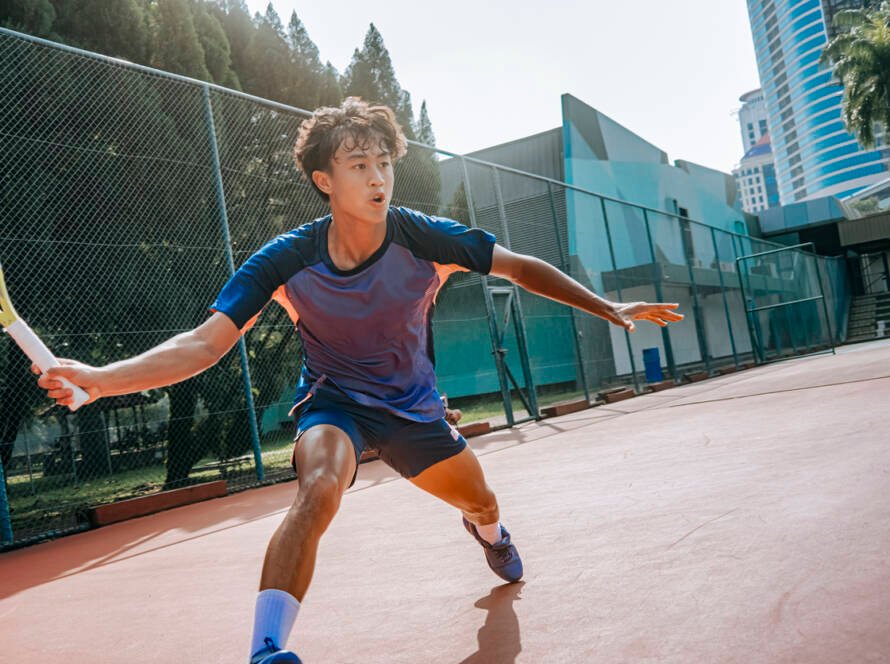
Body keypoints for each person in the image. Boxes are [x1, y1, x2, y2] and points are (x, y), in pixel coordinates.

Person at [36, 98, 683, 664]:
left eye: (384, 163)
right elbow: (205, 343)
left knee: (481, 502)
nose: (378, 178)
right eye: (358, 165)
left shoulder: (424, 237)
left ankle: (489, 534)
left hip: (415, 413)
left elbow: (519, 266)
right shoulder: (287, 259)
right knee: (317, 488)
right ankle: (266, 649)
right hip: (333, 404)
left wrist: (610, 307)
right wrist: (100, 379)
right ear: (324, 179)